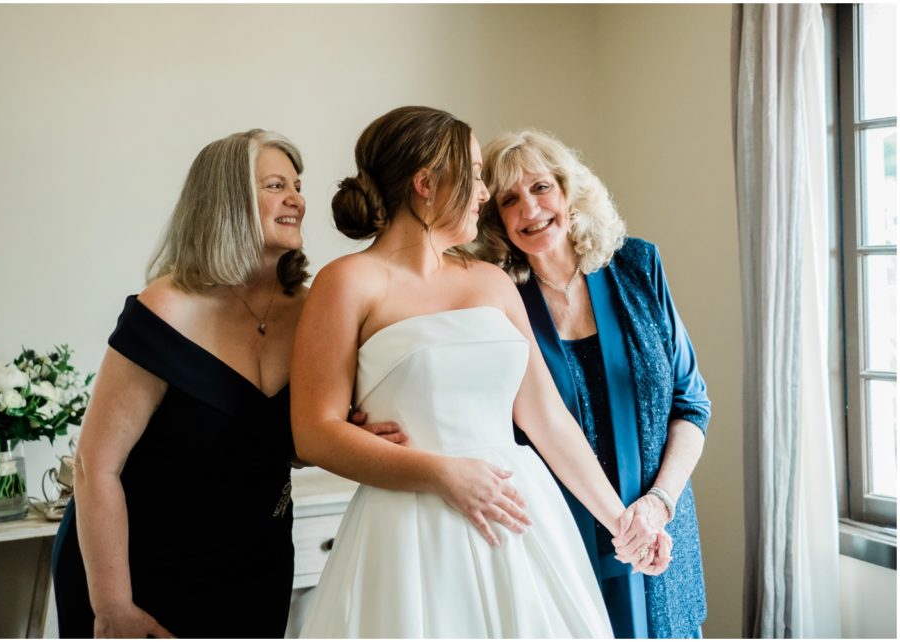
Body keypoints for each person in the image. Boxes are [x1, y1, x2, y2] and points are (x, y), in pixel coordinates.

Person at [290, 106, 671, 638]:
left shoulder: (492, 282)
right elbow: (314, 432)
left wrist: (621, 522)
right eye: (472, 175)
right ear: (426, 183)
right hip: (411, 530)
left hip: (517, 517)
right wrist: (442, 473)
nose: (485, 193)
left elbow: (546, 417)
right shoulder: (347, 283)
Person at [50, 129, 405, 638]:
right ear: (226, 200)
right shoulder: (166, 308)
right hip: (135, 567)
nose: (297, 199)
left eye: (297, 185)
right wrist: (112, 606)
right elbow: (95, 466)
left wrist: (346, 438)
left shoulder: (313, 311)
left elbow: (284, 443)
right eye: (275, 185)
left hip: (254, 562)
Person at [475, 128, 711, 638]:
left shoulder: (638, 265)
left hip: (657, 534)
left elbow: (691, 405)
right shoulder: (496, 298)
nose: (530, 210)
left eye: (540, 188)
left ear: (568, 192)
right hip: (558, 540)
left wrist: (659, 503)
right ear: (495, 220)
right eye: (509, 199)